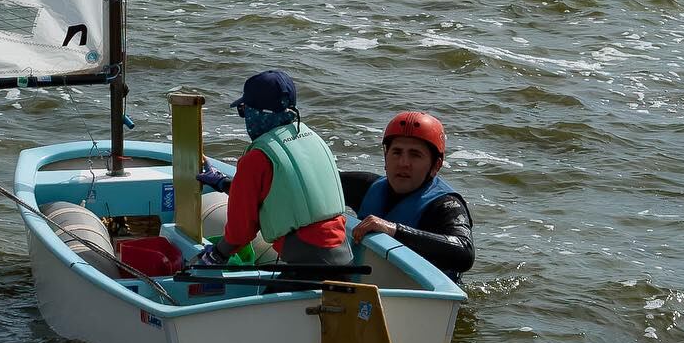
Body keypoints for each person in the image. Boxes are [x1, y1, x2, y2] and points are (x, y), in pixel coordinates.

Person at [190, 69, 352, 270]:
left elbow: (240, 233)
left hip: (306, 265)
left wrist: (216, 255)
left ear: (256, 113)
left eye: (243, 110)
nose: (245, 118)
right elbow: (282, 195)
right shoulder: (312, 140)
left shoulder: (256, 158)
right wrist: (223, 183)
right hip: (345, 255)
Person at [344, 111, 474, 281]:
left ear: (436, 165)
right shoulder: (366, 187)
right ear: (385, 156)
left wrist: (394, 230)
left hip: (424, 298)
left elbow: (465, 253)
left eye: (415, 155)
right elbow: (314, 184)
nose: (403, 163)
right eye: (397, 152)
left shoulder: (446, 205)